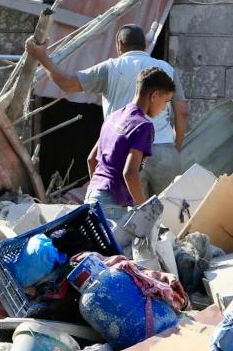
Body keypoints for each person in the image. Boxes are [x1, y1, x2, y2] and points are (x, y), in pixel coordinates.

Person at [25, 24, 189, 197]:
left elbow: (67, 83)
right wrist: (175, 146)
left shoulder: (110, 69)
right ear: (145, 45)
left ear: (119, 44)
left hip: (123, 155)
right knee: (171, 215)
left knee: (129, 217)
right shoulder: (167, 70)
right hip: (164, 152)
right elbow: (183, 112)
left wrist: (42, 57)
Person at [83, 67, 177, 214]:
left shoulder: (113, 116)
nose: (164, 108)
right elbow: (130, 173)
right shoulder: (143, 126)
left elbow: (91, 160)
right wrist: (144, 210)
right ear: (154, 95)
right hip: (110, 205)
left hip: (92, 196)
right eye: (165, 101)